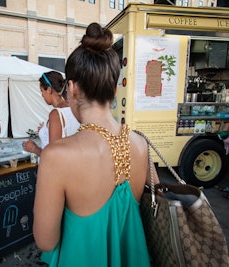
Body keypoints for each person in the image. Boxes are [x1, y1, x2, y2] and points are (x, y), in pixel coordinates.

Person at [33, 22, 156, 266]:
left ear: (72, 87)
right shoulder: (141, 144)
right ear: (113, 87)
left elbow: (45, 242)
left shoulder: (57, 156)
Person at [22, 71, 79, 157]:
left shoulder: (56, 114)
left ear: (49, 90)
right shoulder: (74, 109)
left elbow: (53, 156)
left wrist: (34, 149)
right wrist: (45, 129)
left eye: (42, 91)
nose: (42, 95)